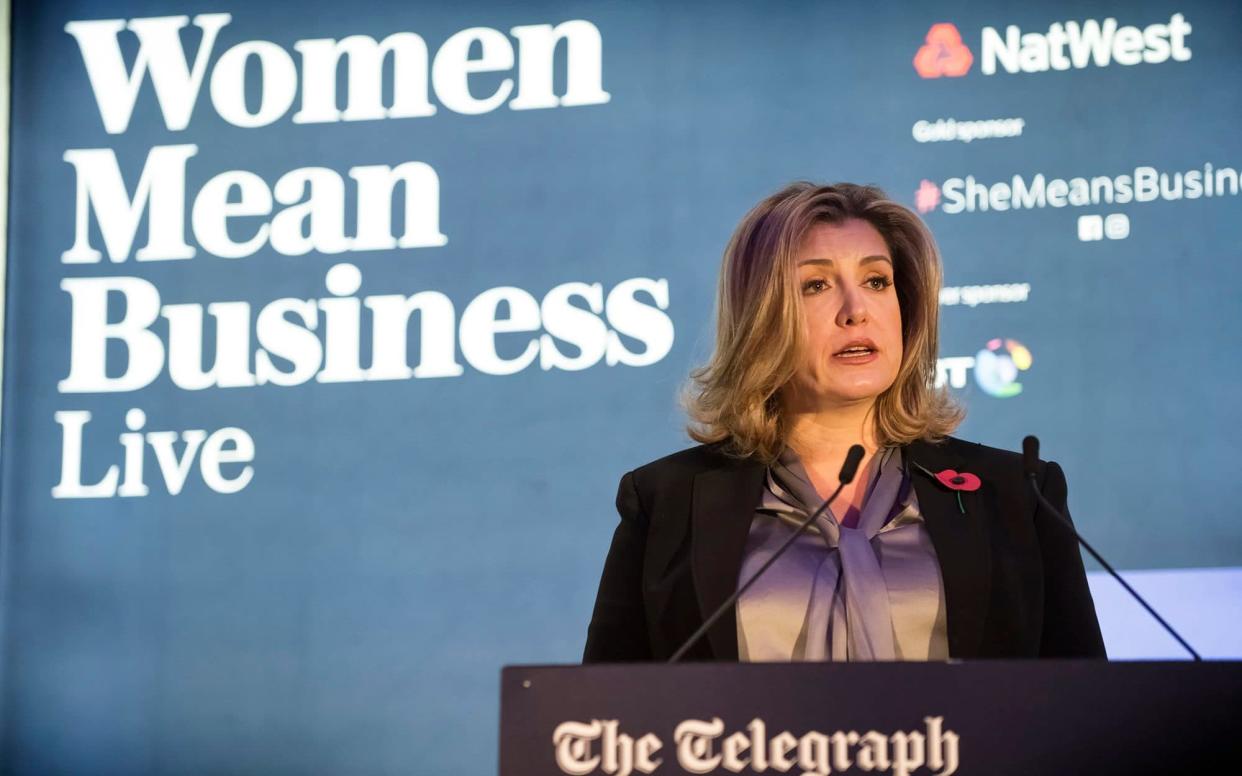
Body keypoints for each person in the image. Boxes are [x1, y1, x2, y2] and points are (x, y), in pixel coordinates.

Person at [583, 181, 1106, 662]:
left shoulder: (1017, 496)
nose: (856, 310)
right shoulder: (667, 503)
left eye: (877, 281)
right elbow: (601, 725)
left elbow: (1083, 712)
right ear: (763, 318)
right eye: (816, 286)